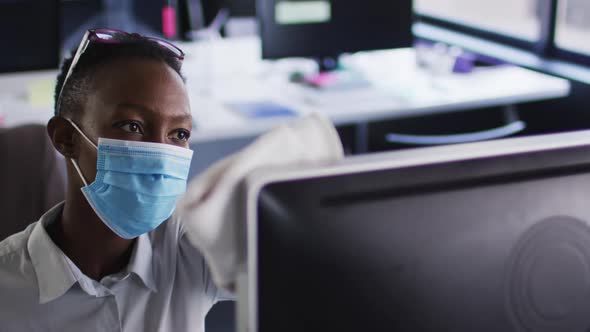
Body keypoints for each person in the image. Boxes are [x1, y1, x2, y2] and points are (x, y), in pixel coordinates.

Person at [0, 29, 232, 331]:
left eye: (179, 134)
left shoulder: (191, 250)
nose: (161, 153)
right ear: (66, 138)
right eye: (132, 126)